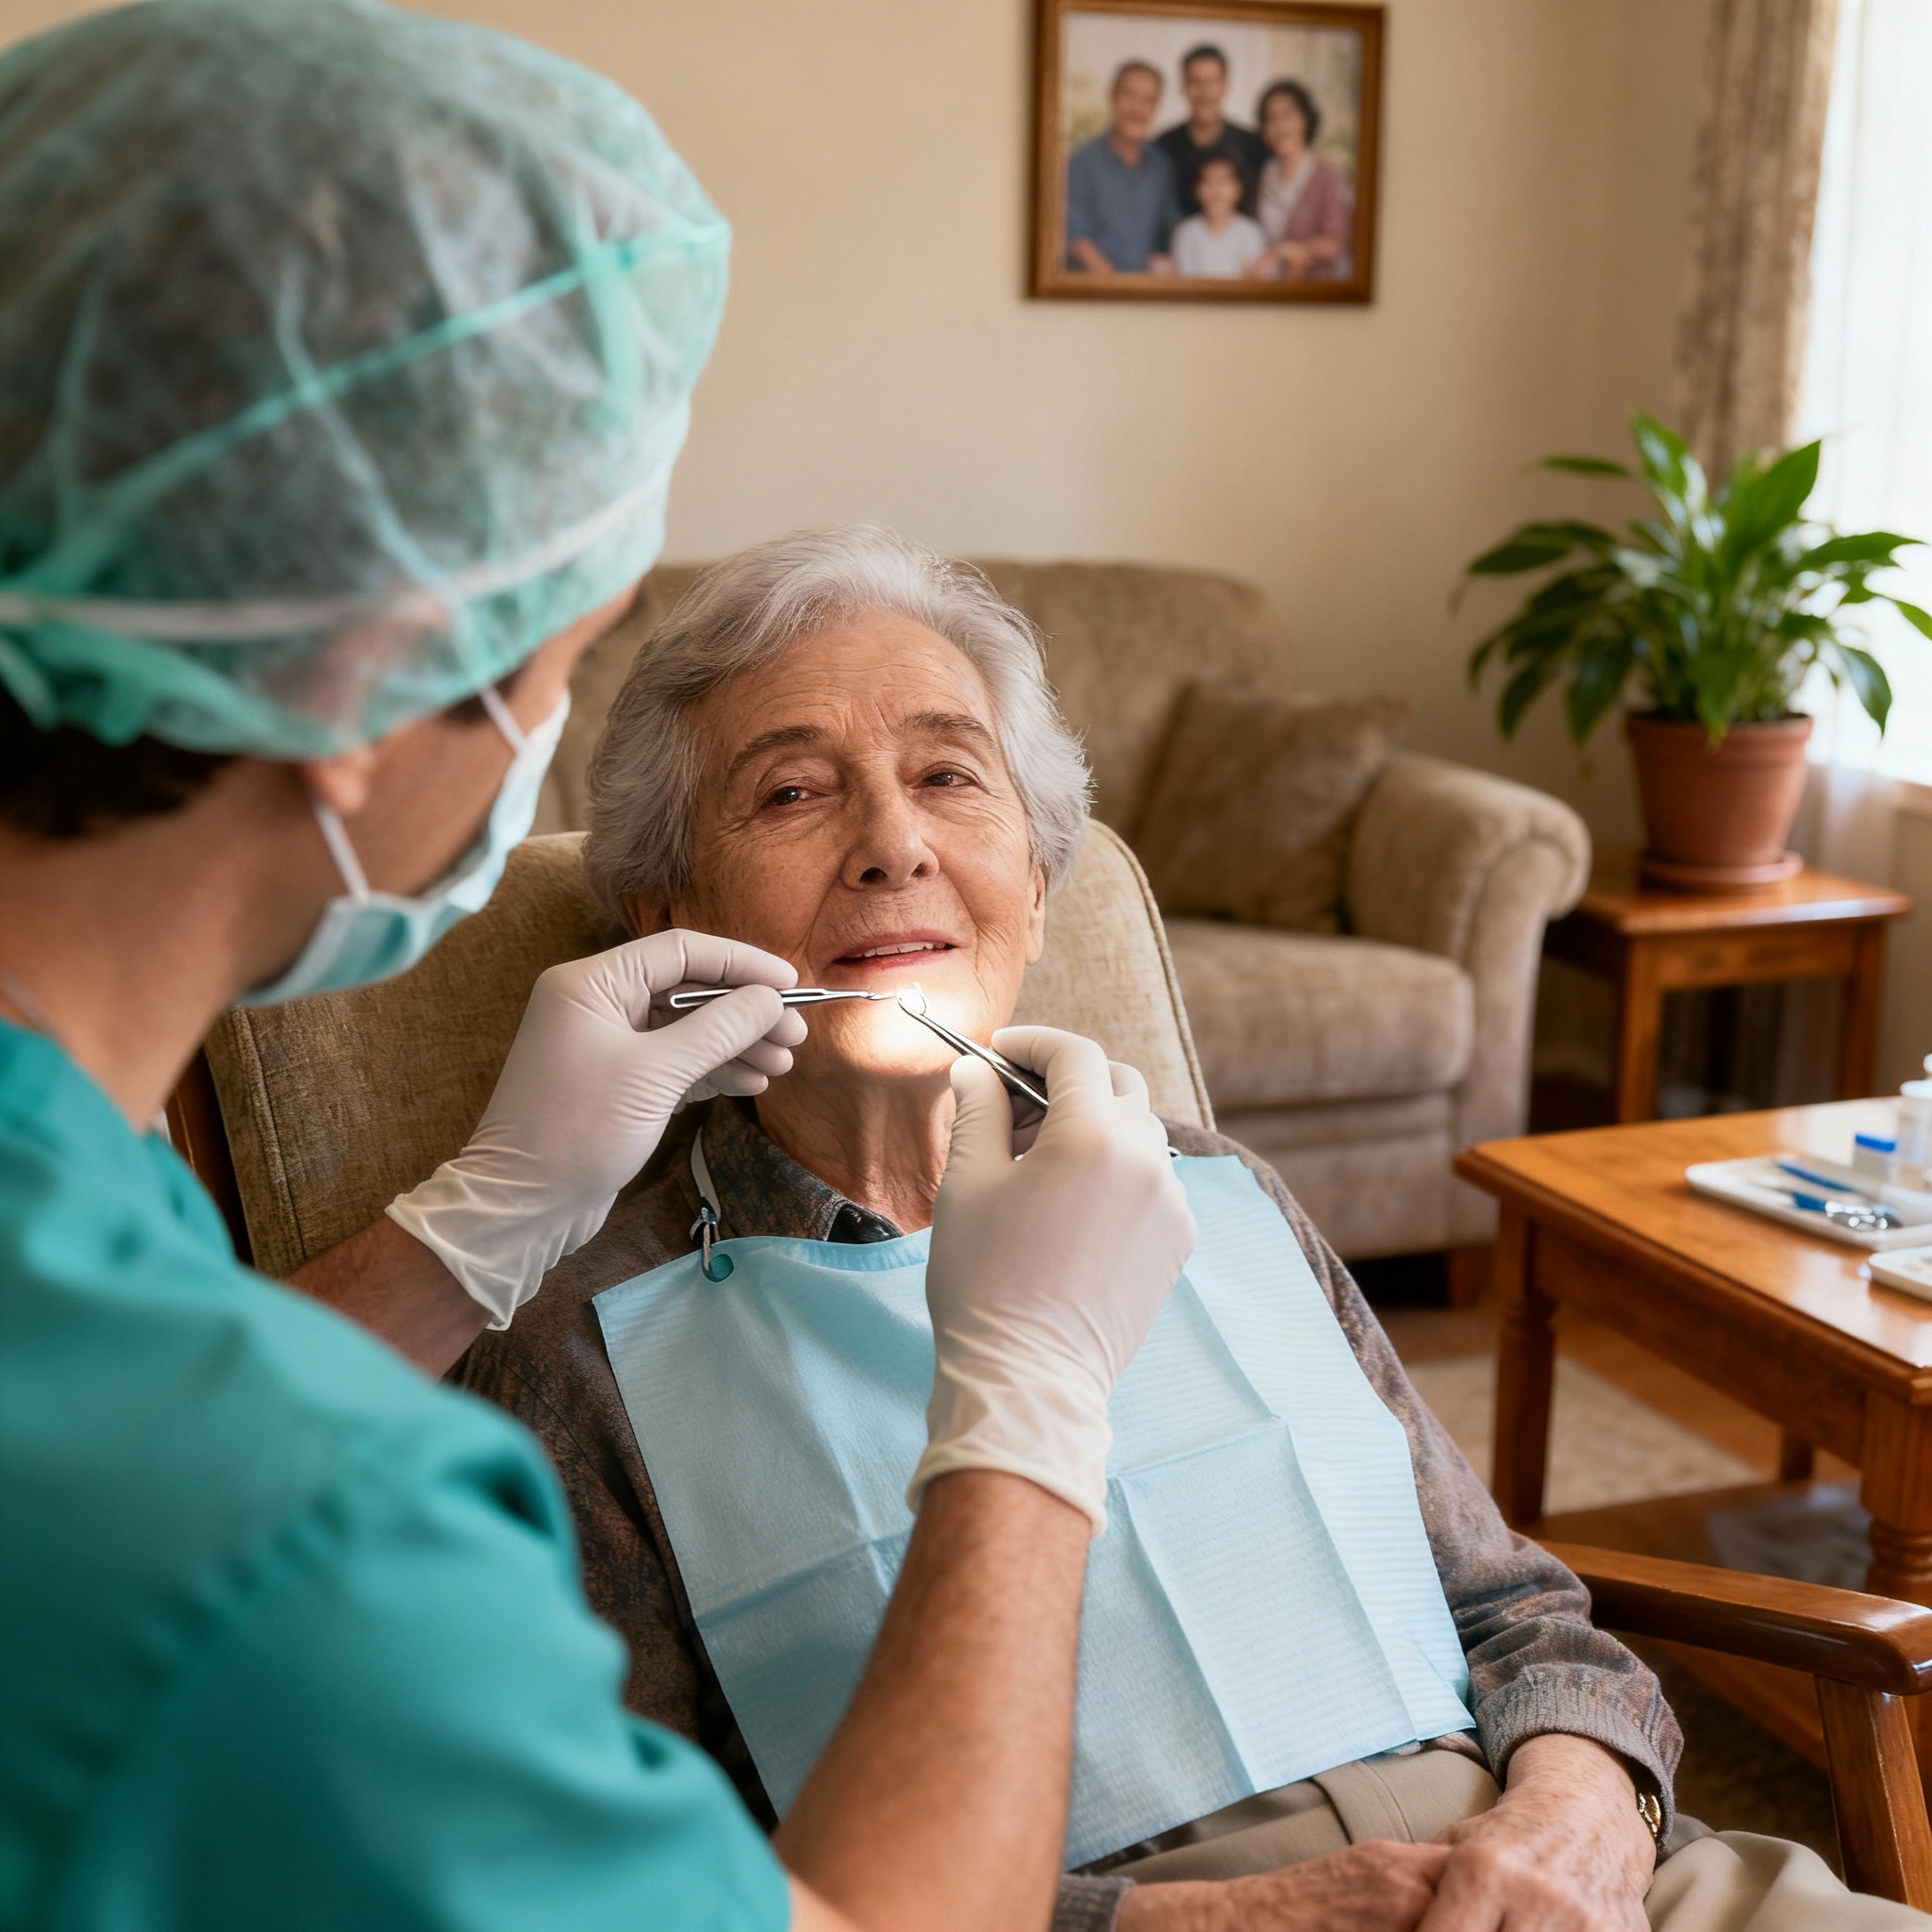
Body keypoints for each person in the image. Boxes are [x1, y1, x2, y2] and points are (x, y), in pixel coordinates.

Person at [0, 9, 1202, 1931]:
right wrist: (1032, 1395)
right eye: (552, 654)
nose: (893, 841)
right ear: (353, 680)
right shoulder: (334, 1544)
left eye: (946, 774)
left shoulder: (80, 1187)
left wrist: (458, 1232)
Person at [456, 526, 1927, 1932]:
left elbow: (1516, 1607)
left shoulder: (1213, 1184)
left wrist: (1581, 1825)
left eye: (949, 777)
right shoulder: (585, 1351)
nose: (893, 844)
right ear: (669, 909)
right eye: (791, 794)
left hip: (1569, 1871)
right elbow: (663, 1889)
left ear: (1034, 869)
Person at [1064, 60, 1180, 275]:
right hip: (1091, 293)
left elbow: (1168, 232)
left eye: (1149, 100)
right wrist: (1117, 287)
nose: (1138, 108)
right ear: (1112, 97)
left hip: (1145, 296)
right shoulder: (1080, 163)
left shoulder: (1161, 165)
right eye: (1129, 95)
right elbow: (1075, 238)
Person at [1247, 78, 1355, 282]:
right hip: (1267, 293)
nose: (1279, 125)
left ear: (1306, 120)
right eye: (1271, 118)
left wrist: (1288, 250)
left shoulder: (1328, 176)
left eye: (1288, 115)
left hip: (1314, 291)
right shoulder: (1263, 174)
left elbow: (1337, 243)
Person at [1155, 43, 1268, 220]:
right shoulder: (1163, 147)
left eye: (1212, 82)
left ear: (1225, 86)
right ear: (1184, 88)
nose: (1204, 92)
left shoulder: (1253, 145)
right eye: (1196, 82)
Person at [1171, 155, 1268, 278]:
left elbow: (1253, 282)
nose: (1215, 190)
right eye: (1208, 181)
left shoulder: (1251, 232)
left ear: (1239, 189)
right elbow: (1185, 282)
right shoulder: (1186, 232)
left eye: (1223, 181)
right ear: (1196, 190)